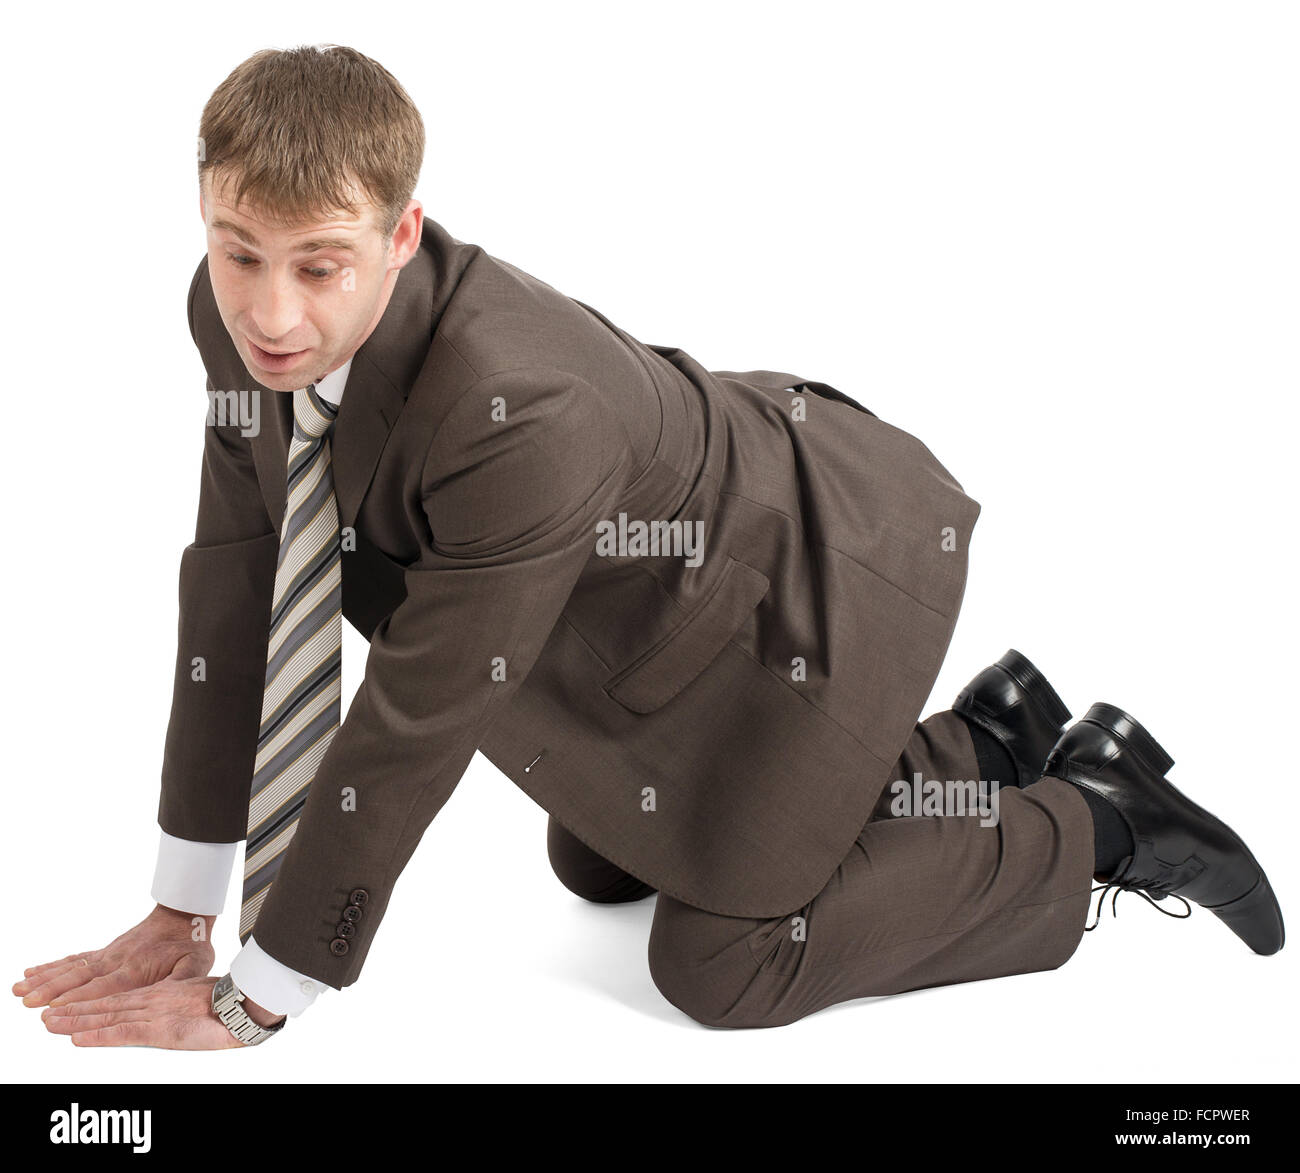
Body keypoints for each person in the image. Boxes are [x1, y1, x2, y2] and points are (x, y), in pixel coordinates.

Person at [14, 44, 1283, 1048]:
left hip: (803, 586)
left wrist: (272, 986)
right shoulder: (228, 315)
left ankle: (1095, 815)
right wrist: (188, 896)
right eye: (238, 253)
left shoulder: (522, 410)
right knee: (602, 861)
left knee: (722, 964)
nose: (271, 314)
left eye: (320, 266)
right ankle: (981, 742)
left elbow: (418, 717)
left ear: (404, 238)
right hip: (623, 612)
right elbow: (239, 580)